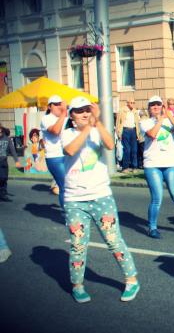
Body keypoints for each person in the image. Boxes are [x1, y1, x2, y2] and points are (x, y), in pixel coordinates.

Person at [61, 97, 139, 303]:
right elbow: (70, 150)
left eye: (88, 110)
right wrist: (87, 128)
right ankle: (77, 285)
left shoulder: (97, 129)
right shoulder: (67, 133)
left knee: (113, 240)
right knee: (78, 245)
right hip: (74, 199)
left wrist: (98, 122)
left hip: (100, 195)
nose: (85, 114)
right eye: (79, 111)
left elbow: (110, 145)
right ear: (71, 116)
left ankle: (131, 280)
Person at [140, 96, 174, 239]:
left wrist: (168, 115)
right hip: (153, 165)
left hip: (170, 163)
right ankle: (152, 228)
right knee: (157, 198)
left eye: (158, 104)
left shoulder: (169, 120)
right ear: (149, 108)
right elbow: (152, 134)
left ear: (162, 106)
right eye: (152, 105)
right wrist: (161, 120)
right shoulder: (145, 123)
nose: (155, 107)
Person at [40, 95, 67, 207]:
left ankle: (76, 212)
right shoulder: (46, 118)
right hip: (54, 157)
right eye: (55, 104)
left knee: (74, 186)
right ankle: (69, 215)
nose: (58, 106)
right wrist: (64, 112)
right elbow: (55, 131)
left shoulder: (66, 118)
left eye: (60, 103)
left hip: (67, 155)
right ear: (49, 106)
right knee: (65, 186)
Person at [115, 98, 142, 173]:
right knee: (127, 150)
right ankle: (125, 167)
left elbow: (137, 123)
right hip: (125, 130)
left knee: (134, 150)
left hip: (133, 130)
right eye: (131, 102)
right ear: (127, 103)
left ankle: (134, 167)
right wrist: (118, 133)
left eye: (133, 102)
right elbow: (118, 122)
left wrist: (138, 133)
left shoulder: (135, 111)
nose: (132, 104)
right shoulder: (122, 110)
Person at [0, 123, 20, 202]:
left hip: (4, 162)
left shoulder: (7, 139)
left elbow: (13, 151)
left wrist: (17, 161)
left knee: (4, 178)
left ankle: (3, 193)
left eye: (0, 132)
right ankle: (2, 194)